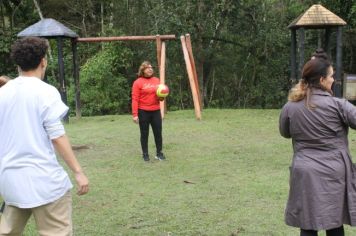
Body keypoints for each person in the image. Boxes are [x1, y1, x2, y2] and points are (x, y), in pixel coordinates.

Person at [0, 37, 89, 235]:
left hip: (11, 183)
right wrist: (78, 171)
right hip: (45, 183)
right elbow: (57, 135)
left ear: (18, 64)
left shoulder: (3, 93)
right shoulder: (46, 92)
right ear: (43, 61)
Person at [279, 49, 356, 236]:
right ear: (322, 80)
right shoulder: (339, 105)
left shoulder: (290, 106)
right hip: (334, 172)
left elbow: (285, 132)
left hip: (304, 171)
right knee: (334, 221)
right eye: (331, 76)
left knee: (307, 223)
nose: (333, 80)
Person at [131, 61, 166, 162]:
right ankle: (145, 154)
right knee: (144, 133)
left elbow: (160, 98)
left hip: (155, 111)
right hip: (143, 112)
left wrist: (162, 96)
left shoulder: (156, 80)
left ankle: (159, 153)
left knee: (158, 133)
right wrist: (135, 115)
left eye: (151, 67)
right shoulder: (138, 82)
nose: (150, 69)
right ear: (143, 70)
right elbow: (135, 99)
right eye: (147, 68)